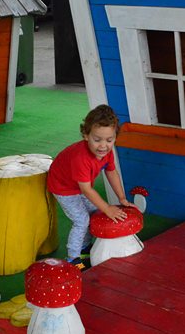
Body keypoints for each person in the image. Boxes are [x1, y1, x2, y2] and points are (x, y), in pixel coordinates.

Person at [47, 104, 134, 270]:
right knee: (82, 220)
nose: (103, 146)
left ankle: (84, 248)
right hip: (63, 187)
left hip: (80, 184)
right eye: (97, 139)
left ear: (115, 137)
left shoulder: (107, 152)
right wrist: (107, 208)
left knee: (93, 212)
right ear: (86, 135)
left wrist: (122, 198)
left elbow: (111, 172)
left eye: (109, 140)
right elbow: (86, 190)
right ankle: (73, 258)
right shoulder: (81, 158)